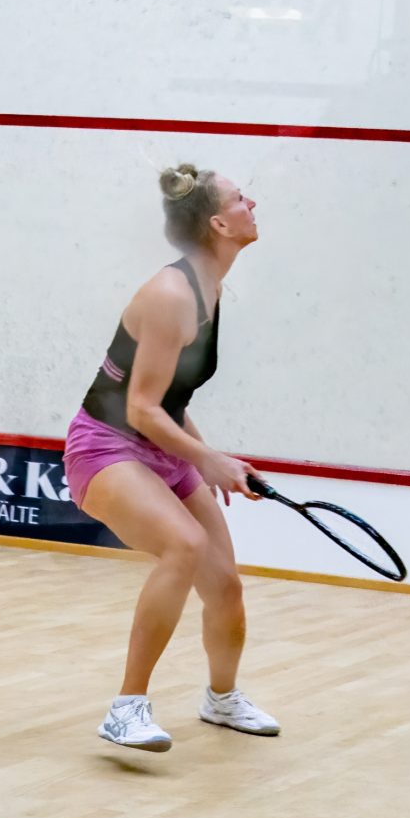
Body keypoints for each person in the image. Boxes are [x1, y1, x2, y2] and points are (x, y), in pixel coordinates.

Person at [68, 164, 279, 751]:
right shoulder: (170, 295)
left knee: (225, 586)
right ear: (218, 224)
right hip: (105, 446)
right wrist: (207, 462)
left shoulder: (211, 288)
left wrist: (209, 457)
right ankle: (126, 708)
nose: (252, 204)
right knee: (184, 546)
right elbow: (140, 409)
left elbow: (169, 399)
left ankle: (221, 699)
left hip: (161, 447)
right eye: (241, 199)